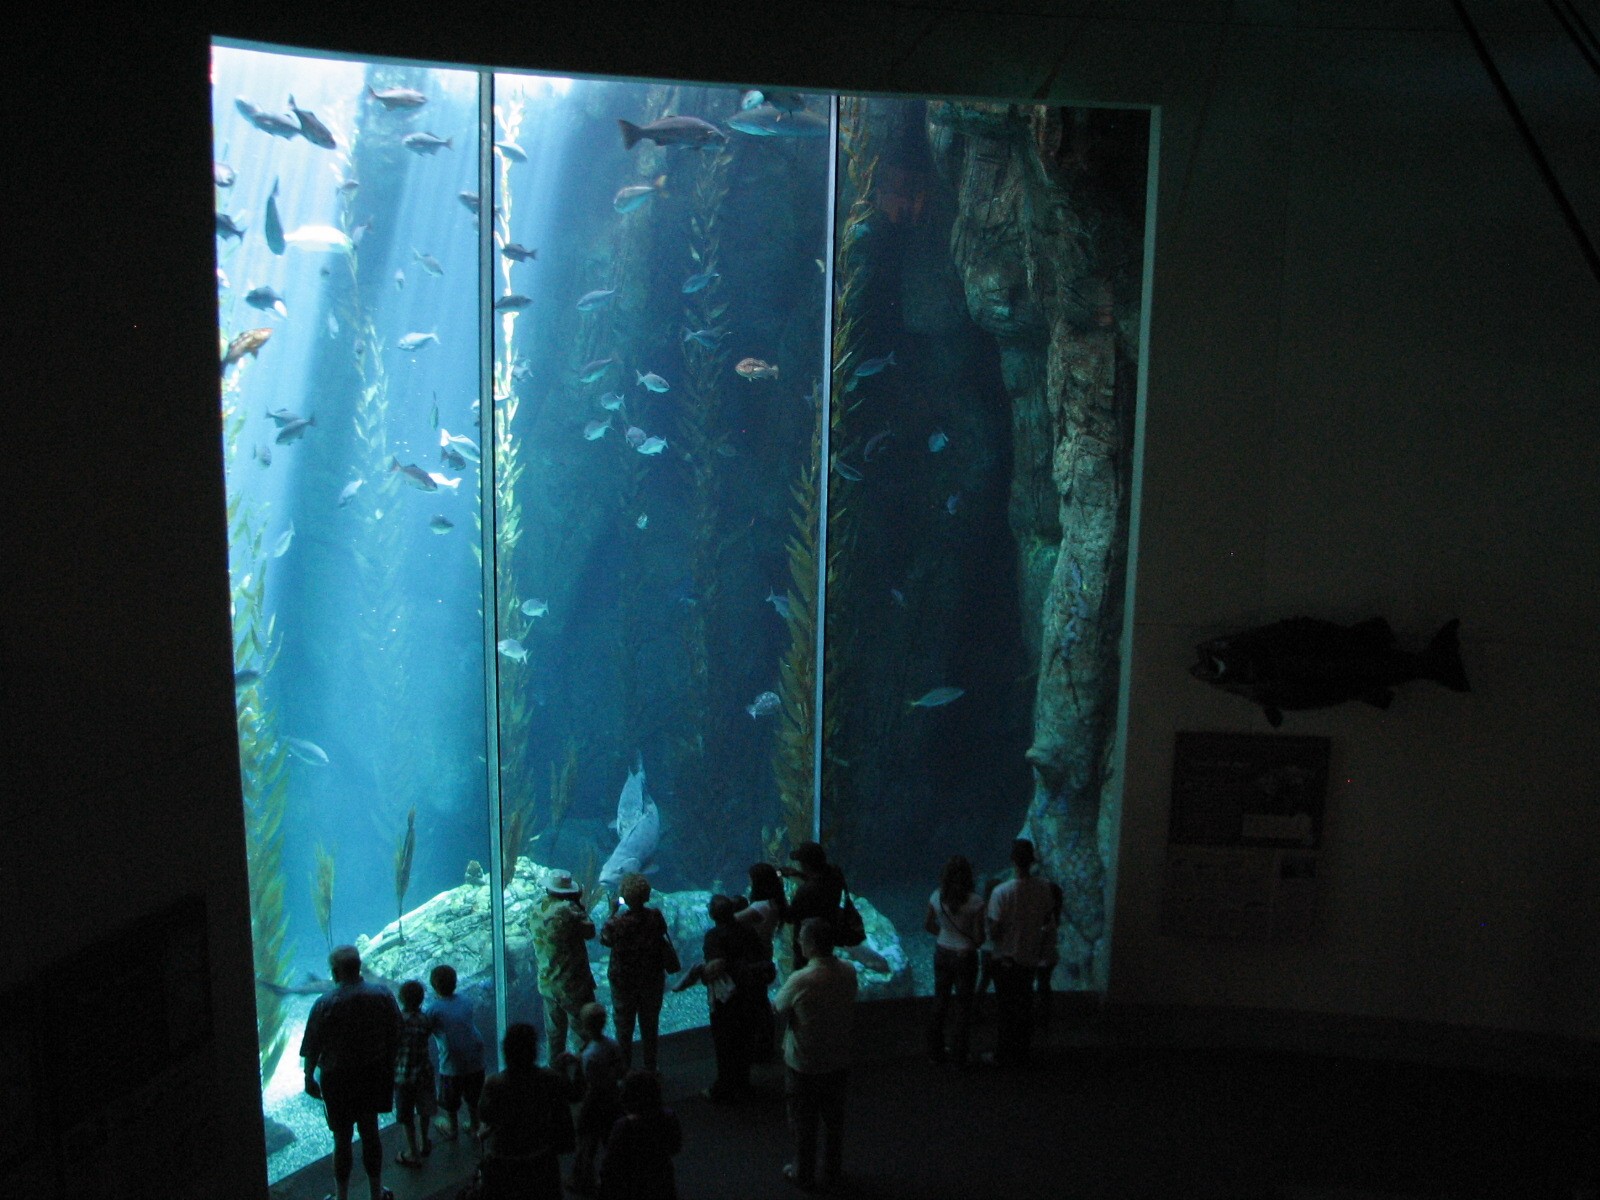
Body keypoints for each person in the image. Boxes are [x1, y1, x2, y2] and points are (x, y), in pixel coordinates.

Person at [299, 944, 401, 1200]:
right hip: (372, 1076)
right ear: (359, 967)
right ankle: (376, 1193)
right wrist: (389, 1064)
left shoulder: (325, 1003)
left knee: (341, 1140)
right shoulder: (382, 994)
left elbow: (312, 1046)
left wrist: (308, 1076)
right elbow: (397, 1033)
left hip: (337, 1081)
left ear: (335, 972)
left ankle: (341, 1196)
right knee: (371, 1133)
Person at [773, 917, 857, 1191]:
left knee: (803, 1121)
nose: (798, 942)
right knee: (834, 1121)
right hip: (838, 1058)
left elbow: (778, 1007)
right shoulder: (849, 970)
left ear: (809, 945)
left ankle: (803, 1172)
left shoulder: (801, 979)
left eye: (801, 939)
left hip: (805, 1063)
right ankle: (832, 1171)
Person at [475, 1021, 577, 1200]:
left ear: (506, 1050)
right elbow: (574, 1095)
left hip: (505, 1159)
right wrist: (565, 1070)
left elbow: (485, 1115)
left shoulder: (493, 1084)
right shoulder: (550, 1078)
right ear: (534, 1050)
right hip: (542, 1158)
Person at [985, 838, 1059, 1066]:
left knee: (1006, 1008)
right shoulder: (1044, 888)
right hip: (1029, 957)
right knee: (1025, 1005)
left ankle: (1003, 1054)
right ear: (1032, 860)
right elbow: (1048, 920)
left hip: (1005, 960)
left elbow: (994, 931)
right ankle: (1023, 1053)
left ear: (1012, 860)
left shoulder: (1001, 892)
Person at [599, 872, 679, 1073]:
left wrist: (612, 911)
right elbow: (662, 931)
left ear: (624, 896)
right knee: (650, 1025)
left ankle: (624, 1071)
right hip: (651, 979)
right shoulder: (655, 916)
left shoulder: (616, 923)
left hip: (624, 983)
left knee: (624, 1027)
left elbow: (605, 939)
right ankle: (650, 1067)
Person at [700, 893, 771, 1101]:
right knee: (745, 1039)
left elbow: (716, 966)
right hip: (749, 993)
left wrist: (700, 974)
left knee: (724, 1042)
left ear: (712, 915)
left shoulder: (714, 935)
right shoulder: (748, 930)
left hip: (726, 997)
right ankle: (743, 1084)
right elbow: (760, 955)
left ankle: (724, 1087)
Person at [923, 854, 985, 1065]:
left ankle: (935, 1052)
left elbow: (928, 925)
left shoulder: (936, 896)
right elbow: (979, 937)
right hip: (965, 956)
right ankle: (959, 1056)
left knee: (940, 1001)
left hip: (942, 952)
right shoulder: (976, 902)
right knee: (963, 1005)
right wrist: (969, 943)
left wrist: (944, 936)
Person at [530, 870, 597, 1060]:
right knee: (583, 1036)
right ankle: (582, 1074)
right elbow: (590, 931)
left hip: (547, 984)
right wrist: (579, 904)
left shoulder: (536, 906)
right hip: (573, 985)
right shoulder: (569, 910)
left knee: (554, 1037)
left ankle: (555, 1074)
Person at [564, 1002, 625, 1195]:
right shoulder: (612, 1045)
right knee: (611, 1140)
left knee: (587, 1142)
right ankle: (616, 1178)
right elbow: (619, 1069)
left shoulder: (589, 1054)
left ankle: (583, 1181)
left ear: (584, 1026)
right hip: (613, 1098)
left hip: (594, 1101)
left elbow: (588, 1076)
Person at [598, 1069, 683, 1200]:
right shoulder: (669, 1116)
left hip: (632, 1184)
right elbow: (675, 1147)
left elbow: (610, 1165)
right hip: (662, 1178)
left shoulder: (623, 1126)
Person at [426, 962, 486, 1141]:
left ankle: (452, 1128)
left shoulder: (434, 1009)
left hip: (452, 1064)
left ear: (434, 987)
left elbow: (425, 1029)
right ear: (455, 982)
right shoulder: (466, 1001)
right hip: (476, 1058)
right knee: (473, 1096)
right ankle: (475, 1125)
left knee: (450, 1101)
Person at [777, 841, 844, 970]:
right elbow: (822, 879)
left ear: (806, 865)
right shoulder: (836, 875)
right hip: (827, 938)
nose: (800, 865)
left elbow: (789, 917)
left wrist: (779, 889)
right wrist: (798, 874)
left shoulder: (806, 891)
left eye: (801, 863)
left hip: (807, 946)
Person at [392, 979, 436, 1167]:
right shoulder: (426, 1019)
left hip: (403, 1077)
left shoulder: (397, 1021)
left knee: (406, 1115)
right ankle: (424, 1141)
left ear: (401, 999)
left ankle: (413, 1152)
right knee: (424, 1110)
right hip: (424, 1073)